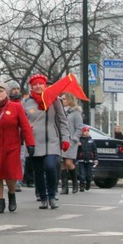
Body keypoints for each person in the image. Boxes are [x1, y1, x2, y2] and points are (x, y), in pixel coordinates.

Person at [0, 82, 35, 213]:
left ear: (6, 92)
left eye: (0, 91)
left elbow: (25, 126)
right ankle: (0, 200)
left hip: (12, 146)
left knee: (10, 173)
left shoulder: (16, 107)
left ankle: (11, 194)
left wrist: (30, 143)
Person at [23, 74, 70, 210]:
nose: (38, 86)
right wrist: (25, 128)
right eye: (35, 84)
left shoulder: (55, 100)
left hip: (52, 141)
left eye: (40, 84)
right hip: (34, 141)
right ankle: (43, 197)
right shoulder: (26, 102)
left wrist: (65, 138)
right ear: (31, 87)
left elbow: (63, 120)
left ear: (45, 85)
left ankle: (52, 194)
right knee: (37, 171)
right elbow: (21, 121)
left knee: (50, 166)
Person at [61, 93, 83, 195]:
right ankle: (64, 187)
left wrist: (74, 138)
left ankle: (75, 183)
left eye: (64, 98)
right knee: (62, 163)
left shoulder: (76, 112)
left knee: (69, 163)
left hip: (71, 141)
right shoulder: (61, 110)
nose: (63, 100)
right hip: (61, 140)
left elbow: (79, 127)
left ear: (70, 99)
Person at [77, 126, 98, 191]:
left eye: (87, 131)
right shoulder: (79, 140)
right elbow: (76, 151)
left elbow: (95, 150)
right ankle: (82, 186)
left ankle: (88, 183)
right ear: (82, 132)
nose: (86, 132)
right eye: (85, 131)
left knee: (89, 174)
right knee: (82, 174)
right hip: (81, 160)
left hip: (90, 160)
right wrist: (78, 146)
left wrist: (95, 159)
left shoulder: (91, 140)